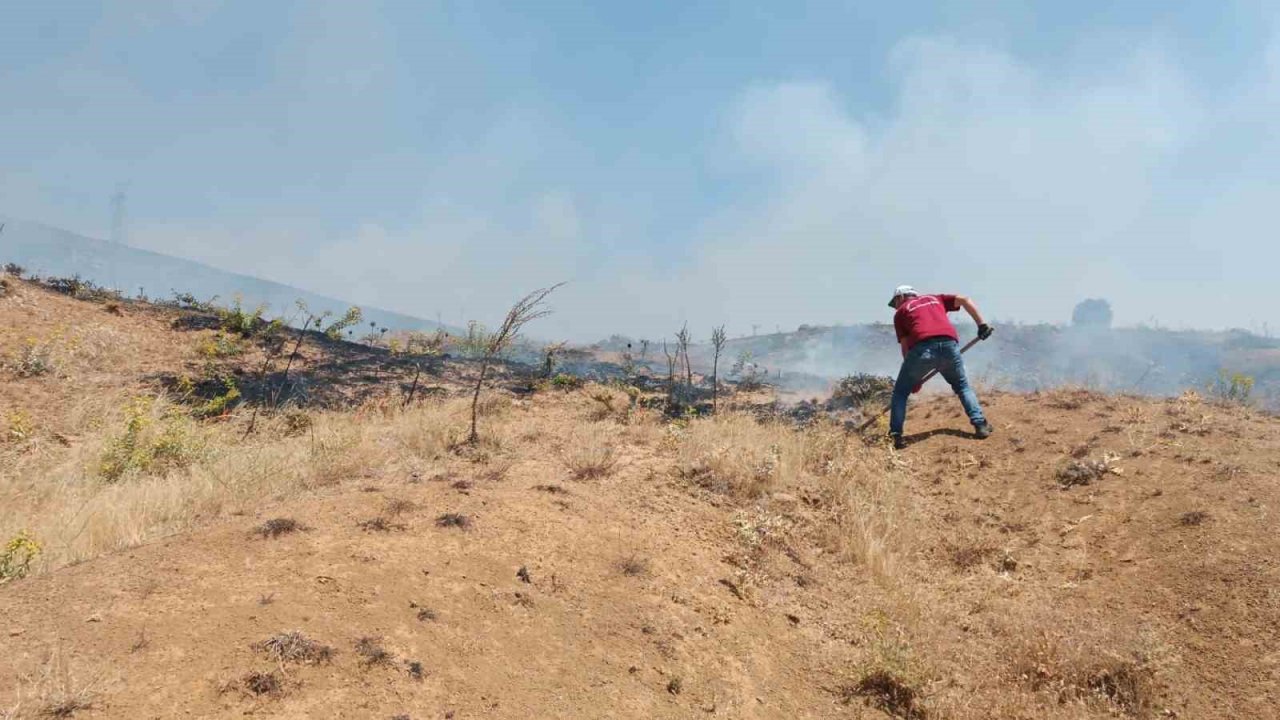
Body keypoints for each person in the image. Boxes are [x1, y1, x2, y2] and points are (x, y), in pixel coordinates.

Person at [887, 285, 993, 449]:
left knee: (900, 393)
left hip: (922, 349)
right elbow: (964, 299)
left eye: (895, 302)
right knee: (962, 386)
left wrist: (914, 377)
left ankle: (896, 436)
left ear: (901, 297)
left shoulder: (901, 312)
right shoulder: (935, 298)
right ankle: (980, 425)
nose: (895, 306)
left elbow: (905, 346)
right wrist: (982, 325)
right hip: (950, 345)